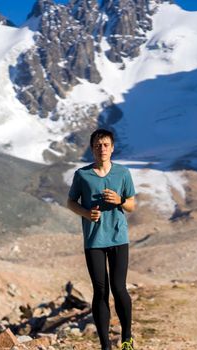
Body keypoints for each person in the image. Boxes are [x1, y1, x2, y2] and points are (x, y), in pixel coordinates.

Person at [67, 128, 136, 350]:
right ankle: (105, 345)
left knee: (119, 287)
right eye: (98, 145)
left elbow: (132, 205)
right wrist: (86, 214)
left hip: (118, 237)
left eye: (106, 144)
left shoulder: (123, 174)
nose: (102, 148)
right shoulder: (82, 175)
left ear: (112, 148)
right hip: (94, 240)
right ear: (92, 148)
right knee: (100, 291)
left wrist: (119, 200)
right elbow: (71, 202)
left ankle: (126, 338)